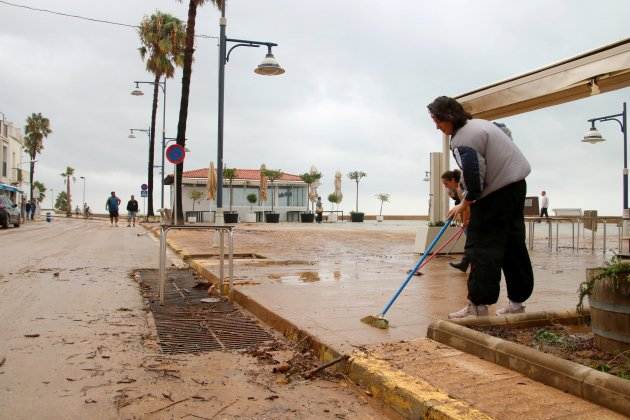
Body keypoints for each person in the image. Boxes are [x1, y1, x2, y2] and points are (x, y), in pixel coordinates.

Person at [427, 96, 534, 318]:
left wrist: (465, 203)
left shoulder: (463, 138)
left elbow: (475, 175)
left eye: (437, 120)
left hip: (495, 194)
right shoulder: (481, 125)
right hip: (516, 186)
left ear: (448, 117)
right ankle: (517, 302)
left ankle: (478, 305)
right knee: (513, 244)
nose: (436, 126)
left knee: (482, 247)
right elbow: (504, 136)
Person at [441, 169, 470, 272]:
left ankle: (466, 264)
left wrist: (465, 222)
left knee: (472, 243)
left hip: (472, 220)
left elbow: (466, 207)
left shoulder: (460, 189)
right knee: (471, 243)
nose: (445, 186)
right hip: (469, 220)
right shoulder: (458, 189)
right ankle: (465, 264)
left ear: (453, 180)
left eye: (446, 183)